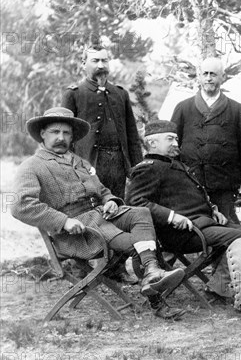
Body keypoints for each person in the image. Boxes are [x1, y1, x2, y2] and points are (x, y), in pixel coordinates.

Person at [11, 107, 186, 319]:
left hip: (100, 217)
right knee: (138, 245)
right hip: (75, 234)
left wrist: (110, 200)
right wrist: (63, 221)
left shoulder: (80, 162)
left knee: (140, 213)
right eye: (55, 132)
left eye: (66, 133)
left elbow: (102, 190)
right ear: (42, 134)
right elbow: (21, 205)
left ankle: (151, 272)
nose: (61, 138)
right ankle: (157, 301)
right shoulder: (32, 166)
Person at [125, 120, 241, 318]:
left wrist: (214, 210)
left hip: (200, 223)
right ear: (152, 143)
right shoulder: (148, 168)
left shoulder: (175, 164)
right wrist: (171, 216)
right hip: (179, 233)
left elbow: (190, 197)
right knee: (236, 237)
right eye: (170, 139)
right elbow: (135, 202)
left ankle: (219, 285)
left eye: (176, 138)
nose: (176, 143)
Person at [62, 44, 143, 284]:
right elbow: (64, 134)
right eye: (95, 60)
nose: (101, 66)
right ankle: (81, 268)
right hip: (86, 165)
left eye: (104, 61)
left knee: (117, 211)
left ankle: (115, 268)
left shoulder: (120, 93)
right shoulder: (74, 93)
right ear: (83, 64)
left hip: (116, 162)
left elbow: (131, 133)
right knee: (85, 212)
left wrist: (135, 168)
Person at [170, 58, 241, 223]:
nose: (209, 78)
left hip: (224, 181)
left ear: (222, 77)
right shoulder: (183, 108)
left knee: (225, 226)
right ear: (199, 77)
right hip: (191, 179)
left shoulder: (236, 110)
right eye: (205, 74)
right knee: (194, 225)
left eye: (213, 74)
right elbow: (172, 144)